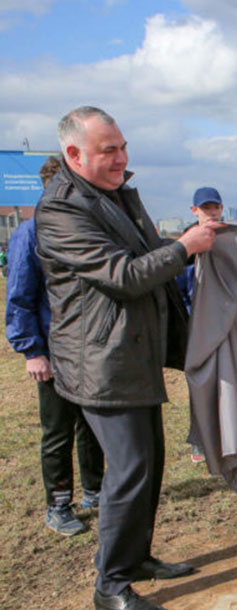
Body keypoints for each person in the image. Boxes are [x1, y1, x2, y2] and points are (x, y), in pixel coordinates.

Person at [35, 106, 219, 610]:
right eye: (108, 151)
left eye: (122, 147)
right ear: (74, 154)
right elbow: (123, 275)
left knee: (150, 464)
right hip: (101, 362)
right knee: (130, 469)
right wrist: (185, 247)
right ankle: (110, 584)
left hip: (131, 354)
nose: (121, 159)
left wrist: (188, 240)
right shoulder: (61, 210)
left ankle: (136, 557)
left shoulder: (112, 195)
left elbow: (143, 250)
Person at [5, 156, 104, 536]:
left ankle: (95, 491)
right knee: (58, 429)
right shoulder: (30, 234)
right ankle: (58, 503)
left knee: (91, 425)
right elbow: (19, 296)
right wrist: (32, 350)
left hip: (86, 349)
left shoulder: (81, 228)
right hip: (51, 350)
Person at [175, 186, 224, 463]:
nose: (211, 212)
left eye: (215, 207)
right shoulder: (187, 244)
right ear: (195, 211)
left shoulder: (229, 238)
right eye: (206, 208)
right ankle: (199, 440)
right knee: (200, 383)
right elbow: (178, 289)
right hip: (197, 327)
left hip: (226, 323)